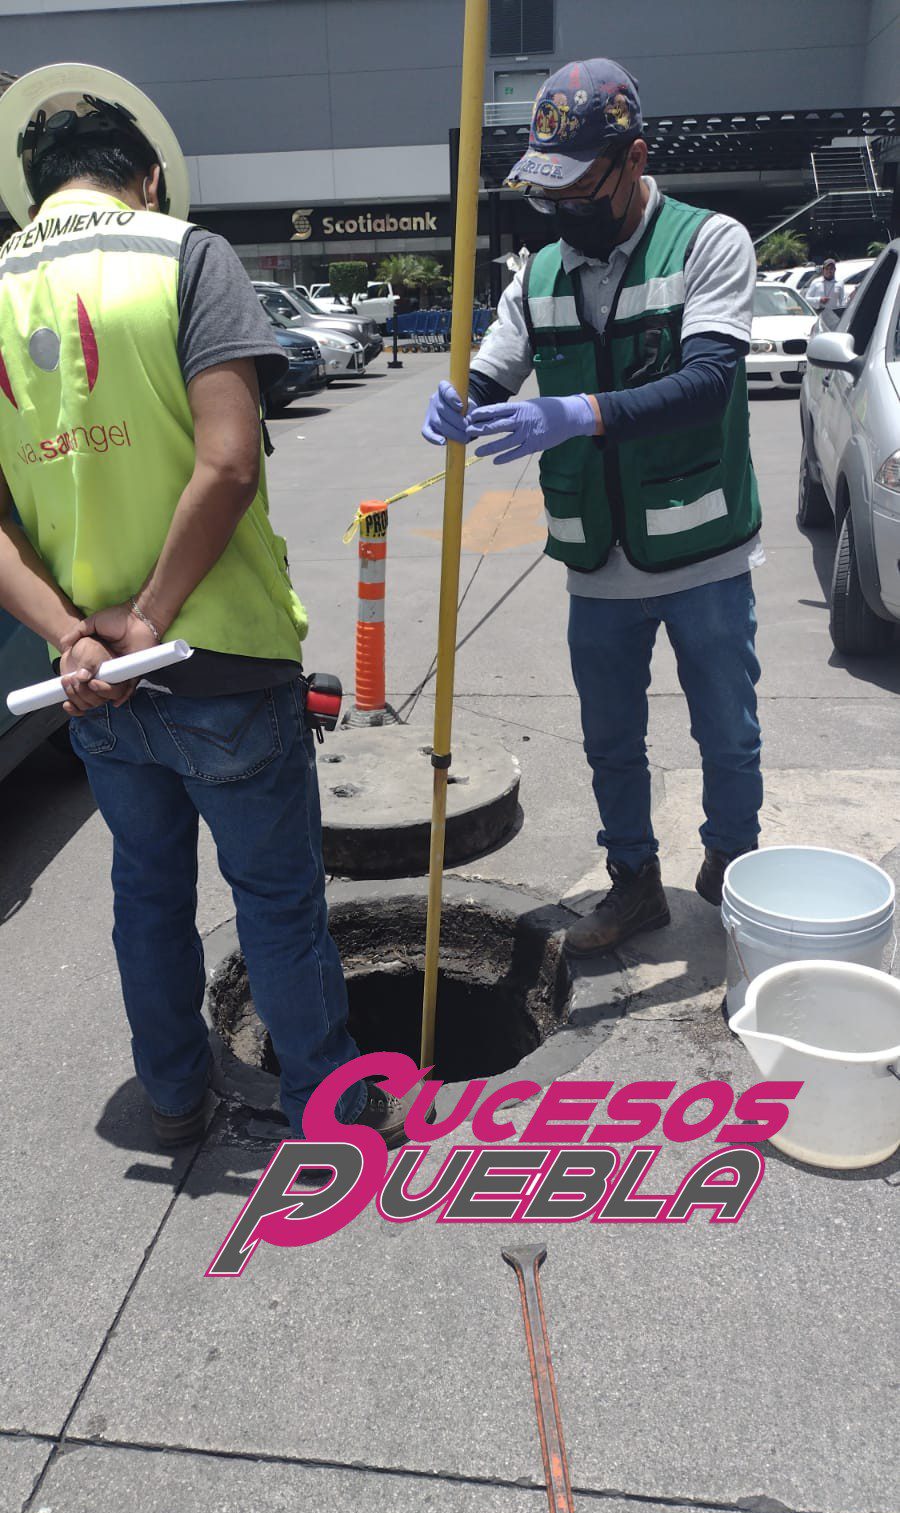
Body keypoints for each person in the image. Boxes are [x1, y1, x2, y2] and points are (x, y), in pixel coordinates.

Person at [0, 64, 413, 1146]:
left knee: (146, 892)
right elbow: (227, 463)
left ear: (32, 189)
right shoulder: (186, 256)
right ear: (145, 177)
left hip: (93, 682)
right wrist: (149, 620)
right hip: (217, 655)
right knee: (276, 898)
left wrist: (74, 636)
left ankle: (176, 1094)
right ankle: (334, 1107)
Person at [423, 58, 763, 954]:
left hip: (703, 549)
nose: (563, 209)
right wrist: (458, 401)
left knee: (727, 733)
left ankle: (734, 868)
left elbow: (710, 382)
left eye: (578, 188)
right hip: (597, 560)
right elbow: (493, 372)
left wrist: (578, 413)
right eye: (549, 192)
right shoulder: (537, 273)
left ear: (634, 159)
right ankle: (634, 883)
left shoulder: (708, 242)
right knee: (611, 740)